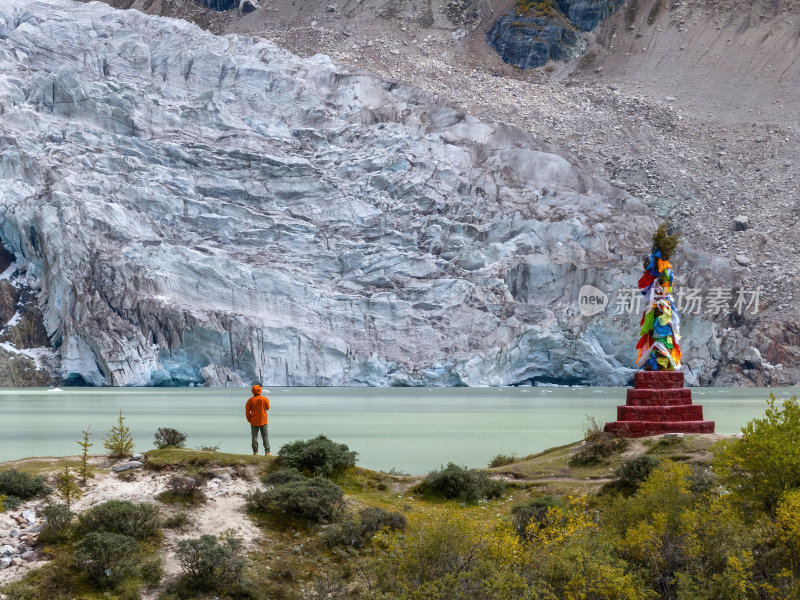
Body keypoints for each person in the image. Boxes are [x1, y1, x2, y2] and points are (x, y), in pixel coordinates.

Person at [245, 384, 271, 456]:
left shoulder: (250, 400)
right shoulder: (265, 399)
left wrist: (249, 419)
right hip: (263, 420)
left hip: (254, 421)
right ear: (260, 391)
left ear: (252, 391)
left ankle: (255, 452)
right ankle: (267, 452)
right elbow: (267, 408)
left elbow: (247, 411)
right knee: (265, 436)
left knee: (254, 436)